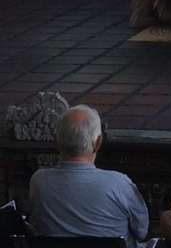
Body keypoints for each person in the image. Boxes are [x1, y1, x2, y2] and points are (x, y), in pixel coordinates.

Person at [29, 104, 149, 248]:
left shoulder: (39, 181)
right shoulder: (119, 184)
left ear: (57, 142)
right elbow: (142, 231)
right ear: (98, 143)